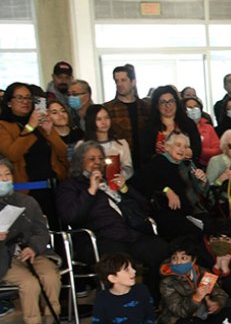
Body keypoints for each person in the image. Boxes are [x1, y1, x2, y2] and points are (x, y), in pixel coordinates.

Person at [56, 141, 168, 298]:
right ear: (80, 162)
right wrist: (90, 191)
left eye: (100, 159)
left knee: (159, 249)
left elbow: (144, 207)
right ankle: (123, 305)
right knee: (118, 260)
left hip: (130, 233)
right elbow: (71, 217)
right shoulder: (71, 186)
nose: (97, 163)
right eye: (92, 159)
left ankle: (152, 301)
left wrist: (125, 189)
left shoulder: (110, 181)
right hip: (100, 238)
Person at [0, 158, 67, 324]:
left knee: (51, 276)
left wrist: (34, 248)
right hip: (5, 257)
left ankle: (50, 323)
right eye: (0, 176)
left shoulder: (27, 201)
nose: (4, 179)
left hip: (32, 252)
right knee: (30, 283)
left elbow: (41, 230)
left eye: (7, 175)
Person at [0, 83, 70, 225]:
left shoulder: (40, 123)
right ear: (9, 102)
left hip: (54, 188)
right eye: (19, 98)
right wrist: (30, 127)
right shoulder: (4, 126)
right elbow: (13, 154)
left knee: (58, 232)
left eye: (28, 98)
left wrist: (49, 131)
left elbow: (62, 151)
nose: (25, 102)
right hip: (27, 191)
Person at [158, 237, 231, 324]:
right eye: (174, 258)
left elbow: (220, 294)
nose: (178, 262)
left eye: (183, 258)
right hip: (183, 320)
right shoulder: (167, 281)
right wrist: (195, 298)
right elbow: (178, 311)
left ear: (193, 260)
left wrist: (216, 304)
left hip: (205, 316)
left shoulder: (203, 272)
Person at [140, 131, 212, 240]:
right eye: (178, 145)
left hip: (194, 211)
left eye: (186, 146)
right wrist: (166, 190)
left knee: (216, 232)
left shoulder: (187, 164)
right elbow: (144, 185)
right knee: (196, 236)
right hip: (168, 214)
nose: (182, 150)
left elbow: (202, 191)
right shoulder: (156, 163)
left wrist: (202, 180)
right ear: (167, 147)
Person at [103, 65, 151, 172]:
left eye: (123, 80)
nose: (119, 84)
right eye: (117, 81)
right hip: (120, 162)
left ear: (133, 82)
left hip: (145, 162)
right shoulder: (108, 108)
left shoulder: (146, 107)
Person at [141, 86, 202, 168]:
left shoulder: (188, 124)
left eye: (171, 101)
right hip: (159, 171)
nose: (168, 105)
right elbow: (145, 156)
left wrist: (189, 152)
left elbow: (197, 149)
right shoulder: (149, 128)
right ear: (156, 105)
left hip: (186, 170)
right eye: (163, 102)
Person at [83, 104, 134, 182]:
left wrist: (119, 176)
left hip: (117, 184)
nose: (104, 122)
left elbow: (128, 168)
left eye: (107, 118)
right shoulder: (83, 145)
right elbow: (80, 170)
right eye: (99, 119)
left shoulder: (121, 143)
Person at [183, 96, 220, 167]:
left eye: (196, 107)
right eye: (189, 107)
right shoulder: (181, 129)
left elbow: (217, 150)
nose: (193, 110)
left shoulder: (208, 127)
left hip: (208, 165)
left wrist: (200, 151)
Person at [47, 98, 83, 163]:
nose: (61, 114)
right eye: (54, 113)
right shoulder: (48, 137)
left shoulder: (78, 133)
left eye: (63, 111)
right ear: (47, 116)